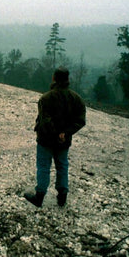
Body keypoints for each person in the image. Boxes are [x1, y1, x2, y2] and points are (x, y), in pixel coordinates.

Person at [24, 67, 86, 207]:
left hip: (45, 140)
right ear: (68, 79)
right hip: (64, 141)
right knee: (62, 166)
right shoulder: (76, 99)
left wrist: (56, 133)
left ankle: (39, 197)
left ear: (54, 78)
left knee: (43, 167)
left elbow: (45, 121)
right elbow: (81, 121)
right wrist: (65, 133)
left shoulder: (46, 98)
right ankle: (62, 197)